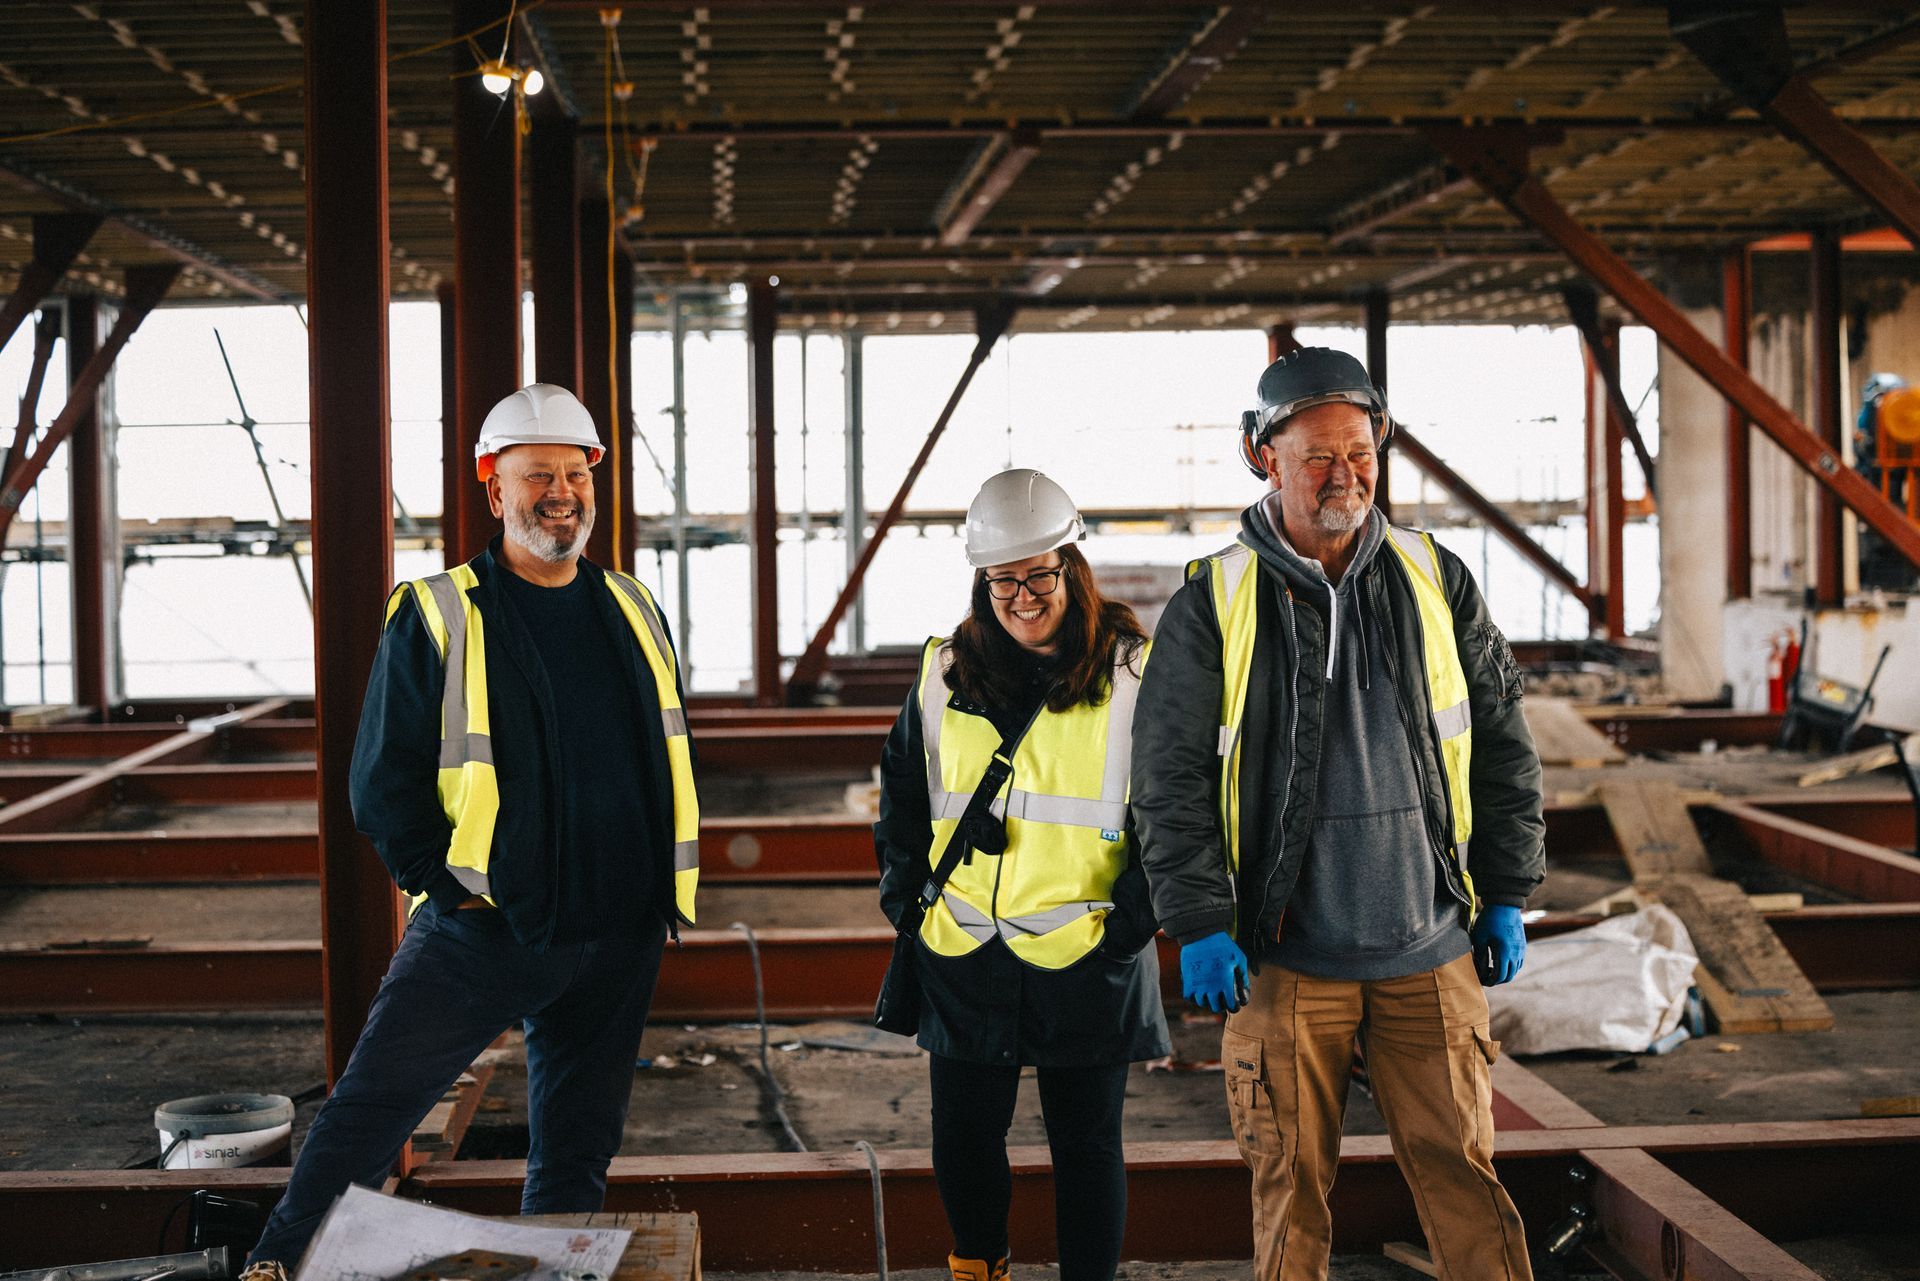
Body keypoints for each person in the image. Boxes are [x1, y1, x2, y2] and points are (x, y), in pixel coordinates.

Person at [238, 385, 699, 1279]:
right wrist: (449, 888)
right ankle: (278, 1265)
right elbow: (381, 782)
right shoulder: (440, 611)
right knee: (371, 1112)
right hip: (484, 931)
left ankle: (556, 1272)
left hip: (617, 932)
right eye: (537, 476)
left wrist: (650, 900)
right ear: (496, 491)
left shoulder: (634, 605)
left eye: (574, 473)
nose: (559, 492)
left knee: (574, 1150)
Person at [1131, 348, 1544, 1281]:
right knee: (1290, 1185)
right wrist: (1196, 918)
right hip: (1286, 959)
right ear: (1263, 459)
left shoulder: (1437, 579)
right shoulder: (1213, 601)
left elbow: (1504, 743)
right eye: (1317, 454)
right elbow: (1169, 778)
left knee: (1463, 1174)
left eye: (1359, 450)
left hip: (1429, 948)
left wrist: (1508, 889)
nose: (1343, 473)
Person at [875, 468, 1169, 1281]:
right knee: (963, 1138)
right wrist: (905, 897)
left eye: (1039, 572)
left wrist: (1132, 921)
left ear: (1072, 569)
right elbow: (901, 784)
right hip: (964, 943)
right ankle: (979, 1269)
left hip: (1085, 946)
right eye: (1003, 577)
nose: (1023, 593)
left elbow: (1176, 811)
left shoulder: (1132, 675)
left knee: (1084, 1144)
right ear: (983, 582)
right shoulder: (943, 671)